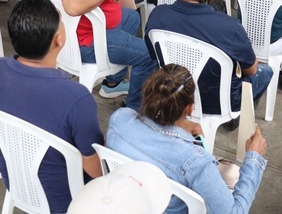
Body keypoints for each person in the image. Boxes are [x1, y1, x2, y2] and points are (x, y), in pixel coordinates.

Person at [0, 0, 104, 212]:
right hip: (66, 200)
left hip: (16, 184)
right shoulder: (76, 98)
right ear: (59, 39)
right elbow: (96, 170)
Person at [107, 64, 268, 213]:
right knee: (233, 174)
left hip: (127, 204)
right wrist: (254, 158)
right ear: (190, 109)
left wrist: (179, 127)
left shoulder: (119, 119)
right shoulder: (196, 162)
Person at [145, 0, 274, 123]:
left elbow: (154, 56)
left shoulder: (158, 15)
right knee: (266, 71)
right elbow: (251, 70)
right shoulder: (230, 28)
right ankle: (237, 116)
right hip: (220, 103)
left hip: (174, 94)